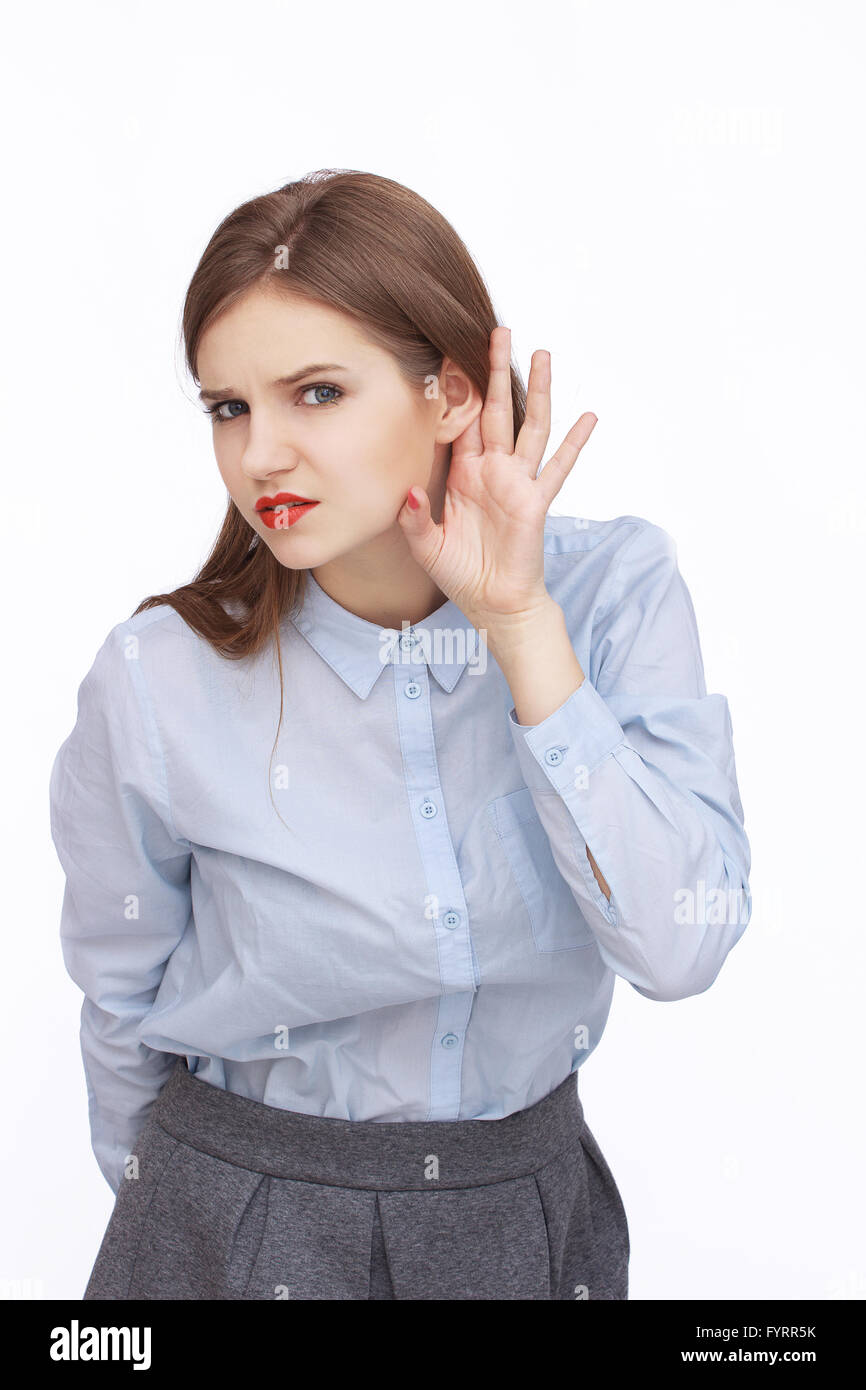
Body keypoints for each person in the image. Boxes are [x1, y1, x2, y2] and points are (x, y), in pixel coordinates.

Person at [48, 168, 751, 1301]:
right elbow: (119, 1011)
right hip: (227, 1219)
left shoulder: (614, 590)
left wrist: (520, 628)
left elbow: (680, 945)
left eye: (315, 392)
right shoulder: (158, 679)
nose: (260, 455)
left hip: (527, 1218)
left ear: (455, 396)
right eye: (229, 408)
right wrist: (179, 1234)